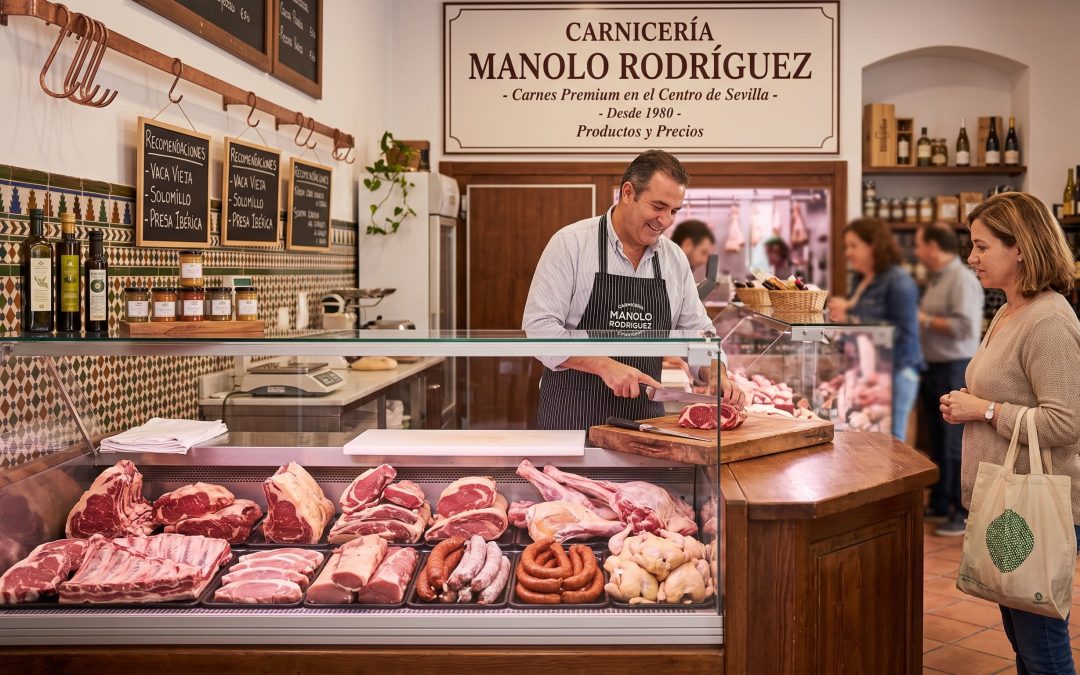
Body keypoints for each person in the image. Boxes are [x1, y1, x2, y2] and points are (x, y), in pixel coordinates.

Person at [939, 192, 1080, 672]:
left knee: (1043, 648)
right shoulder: (1009, 310)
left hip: (1033, 505)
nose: (971, 258)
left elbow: (1065, 422)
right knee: (1026, 644)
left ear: (1019, 247)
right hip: (1007, 506)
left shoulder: (1049, 320)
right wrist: (968, 406)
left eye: (981, 247)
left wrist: (983, 410)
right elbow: (1008, 395)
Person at [522, 149, 744, 430]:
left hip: (644, 419)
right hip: (573, 416)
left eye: (674, 211)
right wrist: (605, 365)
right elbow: (539, 328)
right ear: (628, 193)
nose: (665, 221)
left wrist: (716, 373)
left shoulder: (673, 259)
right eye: (658, 207)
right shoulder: (571, 244)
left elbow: (697, 332)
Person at [914, 222, 984, 536]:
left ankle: (962, 511)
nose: (917, 252)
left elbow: (964, 328)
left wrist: (922, 319)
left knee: (955, 442)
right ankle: (942, 502)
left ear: (932, 246)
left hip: (955, 367)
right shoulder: (938, 279)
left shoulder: (962, 280)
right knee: (938, 441)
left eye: (919, 245)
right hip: (933, 366)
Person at [827, 218, 924, 440]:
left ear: (874, 245)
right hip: (870, 371)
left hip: (897, 371)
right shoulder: (861, 279)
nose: (847, 253)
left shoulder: (899, 281)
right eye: (846, 247)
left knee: (891, 440)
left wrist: (850, 318)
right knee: (869, 437)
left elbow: (902, 331)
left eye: (853, 246)